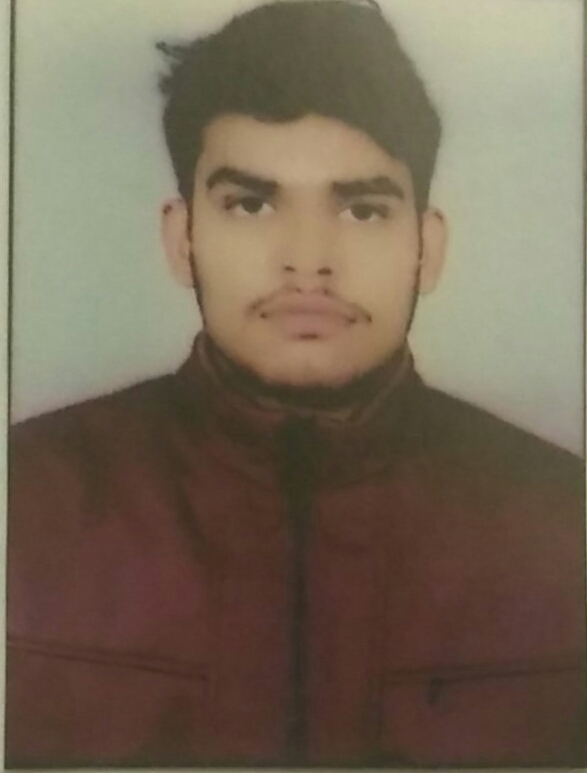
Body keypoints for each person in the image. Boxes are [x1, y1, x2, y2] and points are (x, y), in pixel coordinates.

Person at [6, 0, 585, 767]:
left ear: (427, 247)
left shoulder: (564, 524)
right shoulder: (28, 503)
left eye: (363, 210)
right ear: (181, 238)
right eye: (250, 203)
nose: (307, 258)